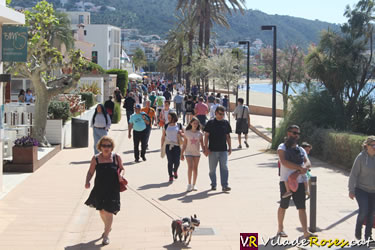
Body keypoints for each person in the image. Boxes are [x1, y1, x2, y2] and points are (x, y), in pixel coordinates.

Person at [277, 125, 315, 240]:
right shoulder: (282, 147)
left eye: (298, 133)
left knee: (302, 207)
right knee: (284, 206)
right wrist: (299, 168)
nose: (296, 135)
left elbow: (308, 163)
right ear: (288, 133)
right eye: (294, 133)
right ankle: (280, 229)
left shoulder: (301, 149)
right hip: (285, 182)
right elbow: (284, 162)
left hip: (299, 182)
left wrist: (298, 172)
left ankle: (305, 232)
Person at [84, 136, 124, 245]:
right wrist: (87, 181)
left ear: (112, 147)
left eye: (109, 146)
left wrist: (120, 175)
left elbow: (122, 169)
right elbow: (90, 172)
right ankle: (108, 227)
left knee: (109, 211)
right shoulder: (96, 158)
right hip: (100, 188)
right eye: (104, 145)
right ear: (100, 147)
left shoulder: (116, 157)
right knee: (101, 210)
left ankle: (106, 235)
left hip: (113, 189)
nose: (106, 148)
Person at [349, 136, 375, 240]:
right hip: (361, 189)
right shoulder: (360, 157)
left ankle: (368, 236)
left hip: (374, 191)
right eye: (373, 145)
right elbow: (353, 174)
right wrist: (351, 190)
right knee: (364, 210)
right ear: (366, 146)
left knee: (371, 213)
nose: (374, 147)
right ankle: (357, 230)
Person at [204, 106, 232, 192]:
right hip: (212, 150)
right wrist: (206, 148)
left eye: (223, 114)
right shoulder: (210, 123)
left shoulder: (226, 123)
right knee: (212, 170)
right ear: (215, 113)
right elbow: (206, 136)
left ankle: (225, 185)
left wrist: (230, 147)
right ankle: (213, 184)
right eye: (220, 114)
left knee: (224, 167)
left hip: (223, 150)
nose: (221, 116)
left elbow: (228, 136)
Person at [181, 117, 205, 192]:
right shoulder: (187, 132)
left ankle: (194, 185)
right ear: (191, 123)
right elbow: (184, 143)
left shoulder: (200, 133)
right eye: (194, 123)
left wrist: (205, 150)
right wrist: (181, 153)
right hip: (188, 152)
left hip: (196, 153)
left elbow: (202, 144)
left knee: (195, 168)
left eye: (197, 123)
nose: (195, 125)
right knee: (190, 167)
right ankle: (189, 184)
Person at [161, 112, 184, 182]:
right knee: (170, 161)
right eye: (168, 117)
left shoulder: (179, 125)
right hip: (168, 146)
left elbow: (185, 134)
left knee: (177, 161)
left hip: (177, 146)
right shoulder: (166, 126)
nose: (168, 119)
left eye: (169, 117)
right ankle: (170, 176)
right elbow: (163, 137)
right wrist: (162, 146)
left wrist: (181, 133)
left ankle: (175, 170)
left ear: (174, 118)